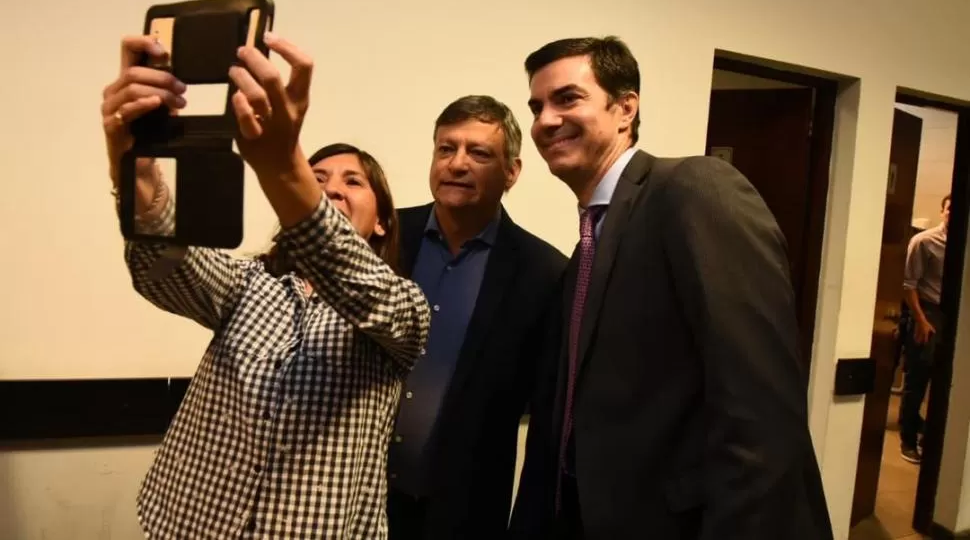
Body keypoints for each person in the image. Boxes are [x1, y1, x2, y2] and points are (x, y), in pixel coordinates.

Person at [100, 33, 431, 539]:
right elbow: (164, 265)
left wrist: (282, 164)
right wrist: (134, 170)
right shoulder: (248, 283)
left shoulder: (404, 309)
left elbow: (350, 273)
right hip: (191, 525)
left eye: (353, 181)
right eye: (317, 177)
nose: (332, 188)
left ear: (383, 221)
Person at [509, 36, 834, 539]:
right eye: (537, 106)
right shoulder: (586, 250)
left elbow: (761, 416)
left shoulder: (693, 189)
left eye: (567, 99)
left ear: (624, 109)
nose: (545, 120)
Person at [386, 95, 568, 539]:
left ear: (512, 172)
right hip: (352, 497)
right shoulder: (385, 237)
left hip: (461, 512)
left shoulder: (544, 273)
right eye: (446, 149)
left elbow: (546, 415)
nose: (457, 164)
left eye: (479, 153)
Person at [899, 194, 950, 463]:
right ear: (942, 211)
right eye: (949, 209)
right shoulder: (924, 241)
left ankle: (928, 436)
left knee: (944, 383)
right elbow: (909, 286)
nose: (952, 214)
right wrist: (920, 320)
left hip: (951, 317)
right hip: (927, 314)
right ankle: (907, 439)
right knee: (917, 380)